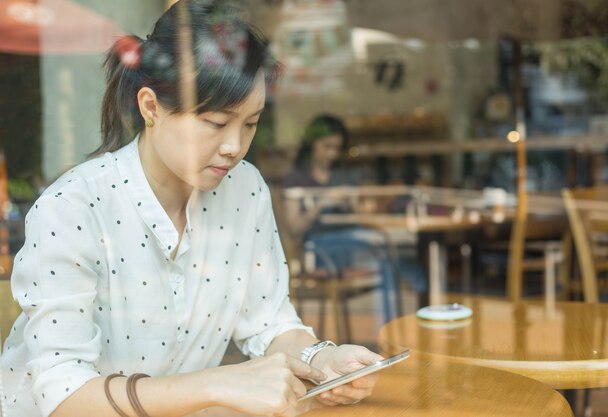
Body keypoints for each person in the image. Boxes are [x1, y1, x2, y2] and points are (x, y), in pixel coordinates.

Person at [0, 2, 383, 417]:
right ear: (150, 107)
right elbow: (64, 397)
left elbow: (269, 323)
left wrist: (322, 360)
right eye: (217, 123)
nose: (234, 146)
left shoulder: (246, 190)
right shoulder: (73, 207)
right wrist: (218, 384)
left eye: (250, 123)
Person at [282, 115, 425, 323]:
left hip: (351, 245)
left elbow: (359, 216)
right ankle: (413, 296)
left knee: (393, 245)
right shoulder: (297, 178)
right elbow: (294, 228)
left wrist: (351, 203)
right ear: (312, 144)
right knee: (385, 247)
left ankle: (395, 322)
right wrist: (322, 202)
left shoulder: (342, 176)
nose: (332, 153)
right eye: (327, 146)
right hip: (319, 251)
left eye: (336, 148)